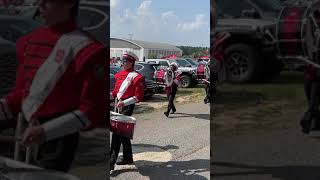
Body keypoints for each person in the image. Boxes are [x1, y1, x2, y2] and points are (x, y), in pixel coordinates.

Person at [0, 0, 107, 172]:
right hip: (22, 128)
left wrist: (46, 131)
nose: (40, 6)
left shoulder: (88, 49)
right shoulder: (28, 42)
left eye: (47, 1)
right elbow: (23, 94)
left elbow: (91, 111)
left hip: (58, 139)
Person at [110, 52, 144, 171]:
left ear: (131, 63)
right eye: (122, 61)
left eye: (125, 62)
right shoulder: (120, 74)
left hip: (126, 106)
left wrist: (124, 103)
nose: (123, 63)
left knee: (117, 133)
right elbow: (116, 92)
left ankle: (110, 163)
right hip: (117, 104)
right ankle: (128, 157)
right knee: (123, 133)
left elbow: (138, 97)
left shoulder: (136, 76)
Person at [300, 64, 320, 133]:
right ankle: (316, 124)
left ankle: (306, 121)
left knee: (313, 103)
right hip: (307, 78)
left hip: (317, 79)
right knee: (311, 103)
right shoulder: (307, 53)